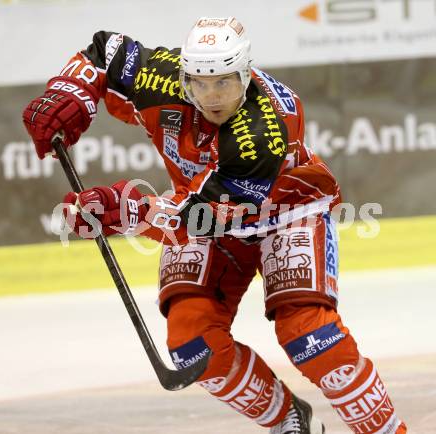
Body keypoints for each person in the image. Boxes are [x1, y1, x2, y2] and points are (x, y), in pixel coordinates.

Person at [22, 17, 407, 434]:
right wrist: (70, 91)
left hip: (285, 214)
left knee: (309, 337)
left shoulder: (262, 133)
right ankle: (289, 420)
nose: (211, 96)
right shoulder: (162, 76)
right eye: (200, 83)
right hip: (204, 210)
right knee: (192, 345)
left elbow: (200, 216)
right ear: (185, 74)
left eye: (224, 82)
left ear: (245, 74)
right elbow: (104, 52)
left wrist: (125, 210)